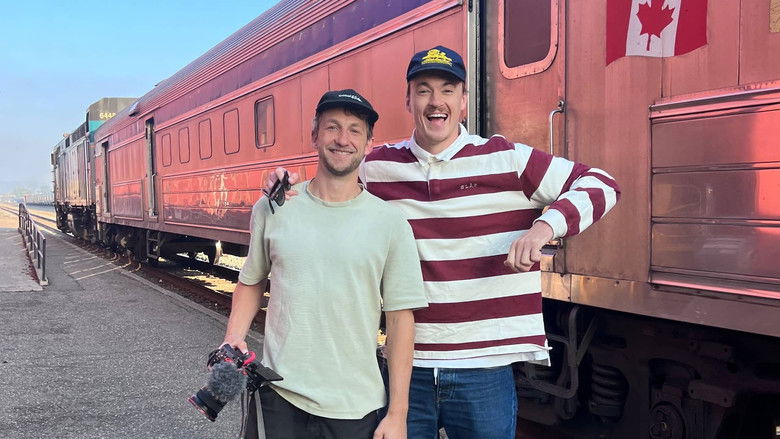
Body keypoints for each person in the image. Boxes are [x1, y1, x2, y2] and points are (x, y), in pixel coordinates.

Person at [267, 46, 620, 439]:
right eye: (424, 90)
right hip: (407, 368)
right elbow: (329, 185)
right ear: (408, 101)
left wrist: (545, 227)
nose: (436, 101)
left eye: (448, 90)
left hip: (484, 368)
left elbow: (602, 184)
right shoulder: (377, 168)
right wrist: (284, 181)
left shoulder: (508, 160)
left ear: (464, 101)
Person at [223, 89, 428, 439]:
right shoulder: (274, 208)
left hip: (355, 405)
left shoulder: (390, 223)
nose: (342, 139)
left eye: (354, 130)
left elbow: (400, 319)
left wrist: (398, 414)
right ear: (314, 134)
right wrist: (232, 339)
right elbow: (252, 281)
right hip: (279, 396)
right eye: (332, 127)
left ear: (368, 144)